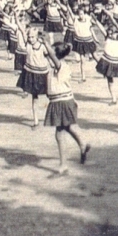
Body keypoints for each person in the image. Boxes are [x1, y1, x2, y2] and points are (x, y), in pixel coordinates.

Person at [44, 40, 91, 177]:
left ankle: (63, 165)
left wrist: (45, 43)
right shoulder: (55, 67)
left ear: (56, 54)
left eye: (52, 50)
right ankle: (82, 145)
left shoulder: (61, 66)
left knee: (59, 133)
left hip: (63, 102)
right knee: (67, 127)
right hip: (59, 101)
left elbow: (51, 56)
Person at [16, 28, 50, 126]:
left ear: (37, 37)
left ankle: (55, 115)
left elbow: (49, 57)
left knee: (50, 95)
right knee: (34, 97)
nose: (30, 39)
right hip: (30, 73)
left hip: (42, 74)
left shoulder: (42, 46)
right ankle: (36, 121)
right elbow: (22, 31)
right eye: (29, 37)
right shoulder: (27, 45)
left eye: (33, 37)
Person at [94, 16, 118, 104]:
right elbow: (101, 29)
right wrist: (96, 21)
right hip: (108, 62)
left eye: (113, 33)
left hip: (117, 62)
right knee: (110, 81)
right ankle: (114, 98)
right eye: (110, 32)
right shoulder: (107, 38)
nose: (111, 35)